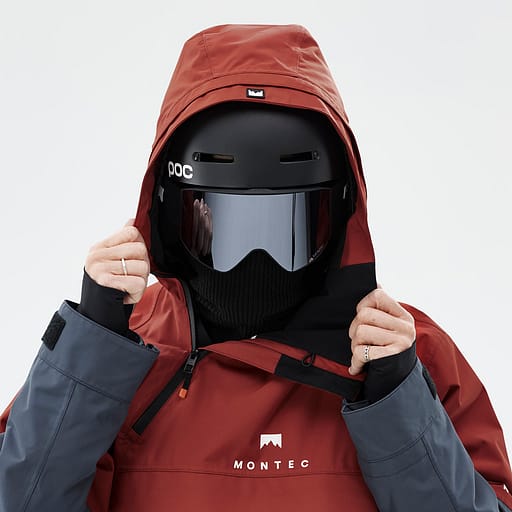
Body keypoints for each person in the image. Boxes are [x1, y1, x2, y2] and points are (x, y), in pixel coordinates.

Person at [0, 23, 511, 512]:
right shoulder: (122, 355)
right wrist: (91, 342)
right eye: (222, 228)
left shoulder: (404, 354)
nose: (256, 263)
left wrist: (397, 400)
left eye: (288, 230)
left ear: (339, 216)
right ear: (169, 213)